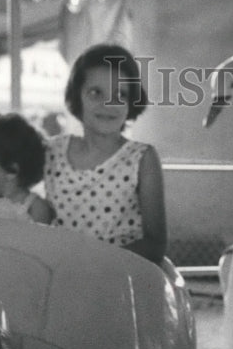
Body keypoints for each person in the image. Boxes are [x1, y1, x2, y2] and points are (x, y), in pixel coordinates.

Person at [44, 43, 167, 265]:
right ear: (77, 96)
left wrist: (94, 263)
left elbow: (155, 242)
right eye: (95, 92)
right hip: (61, 273)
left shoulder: (142, 158)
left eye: (120, 94)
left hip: (119, 275)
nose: (108, 104)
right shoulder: (51, 151)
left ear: (132, 101)